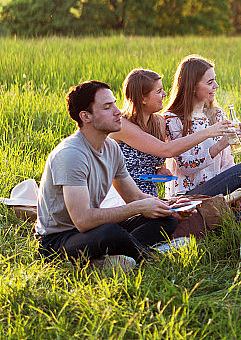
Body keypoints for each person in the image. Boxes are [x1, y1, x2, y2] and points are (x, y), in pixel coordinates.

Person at [35, 81, 189, 269]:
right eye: (108, 107)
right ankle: (151, 257)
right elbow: (82, 221)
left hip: (92, 230)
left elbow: (134, 197)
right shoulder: (71, 154)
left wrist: (170, 207)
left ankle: (114, 258)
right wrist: (137, 207)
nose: (118, 111)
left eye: (115, 104)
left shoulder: (111, 148)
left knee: (165, 219)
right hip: (58, 240)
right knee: (111, 232)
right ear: (86, 116)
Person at [109, 68, 233, 196]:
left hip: (151, 197)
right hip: (126, 198)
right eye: (158, 91)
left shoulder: (159, 122)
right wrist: (209, 132)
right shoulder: (121, 124)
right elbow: (166, 150)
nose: (164, 94)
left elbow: (151, 159)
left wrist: (158, 170)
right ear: (142, 98)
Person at [163, 55, 241, 198]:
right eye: (210, 82)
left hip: (215, 190)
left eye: (215, 80)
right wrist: (220, 145)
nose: (216, 86)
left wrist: (234, 191)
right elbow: (186, 167)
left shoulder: (217, 115)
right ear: (192, 86)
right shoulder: (173, 119)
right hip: (186, 196)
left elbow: (227, 163)